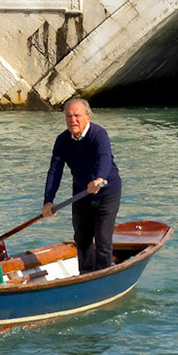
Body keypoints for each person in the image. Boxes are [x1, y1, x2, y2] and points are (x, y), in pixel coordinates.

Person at [40, 97, 123, 274]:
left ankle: (102, 277)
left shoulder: (99, 134)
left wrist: (99, 178)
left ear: (88, 117)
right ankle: (85, 275)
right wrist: (48, 201)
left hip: (107, 193)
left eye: (77, 115)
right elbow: (55, 171)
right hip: (82, 194)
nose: (73, 120)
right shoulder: (62, 140)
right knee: (82, 239)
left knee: (103, 239)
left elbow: (104, 159)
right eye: (69, 116)